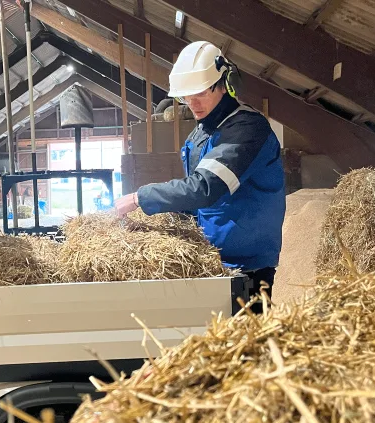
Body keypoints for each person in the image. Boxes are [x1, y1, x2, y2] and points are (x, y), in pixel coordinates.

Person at [114, 41, 286, 314]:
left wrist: (140, 198)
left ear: (223, 84)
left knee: (246, 348)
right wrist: (160, 224)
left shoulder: (247, 129)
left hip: (247, 264)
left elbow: (206, 188)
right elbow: (196, 202)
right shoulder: (202, 133)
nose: (191, 103)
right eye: (184, 96)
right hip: (214, 258)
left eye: (199, 93)